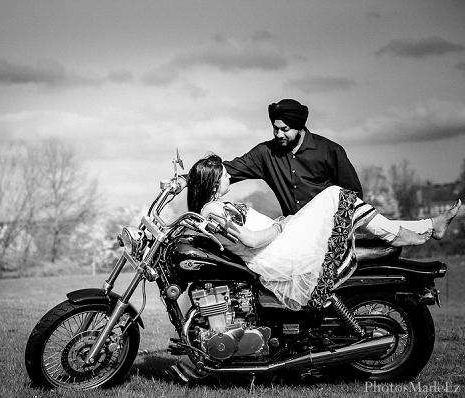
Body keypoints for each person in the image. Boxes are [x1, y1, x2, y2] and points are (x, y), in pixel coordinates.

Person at [187, 154, 461, 311]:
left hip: (280, 241)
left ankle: (421, 228)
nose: (228, 177)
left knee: (341, 203)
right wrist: (281, 225)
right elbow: (251, 240)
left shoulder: (213, 207)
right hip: (276, 250)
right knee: (334, 195)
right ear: (212, 181)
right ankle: (418, 229)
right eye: (223, 174)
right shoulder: (213, 211)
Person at [223, 98, 363, 217]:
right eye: (275, 128)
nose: (279, 134)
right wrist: (205, 172)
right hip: (293, 232)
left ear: (300, 127)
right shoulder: (265, 153)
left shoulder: (330, 151)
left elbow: (353, 194)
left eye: (285, 129)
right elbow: (228, 170)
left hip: (328, 229)